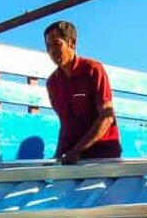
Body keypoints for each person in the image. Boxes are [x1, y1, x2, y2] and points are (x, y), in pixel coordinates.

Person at [43, 20, 122, 164]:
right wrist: (58, 156)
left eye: (57, 44)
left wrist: (77, 151)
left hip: (103, 155)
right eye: (48, 46)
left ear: (72, 42)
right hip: (75, 158)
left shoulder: (93, 70)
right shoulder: (52, 83)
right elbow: (65, 124)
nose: (52, 51)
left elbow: (106, 117)